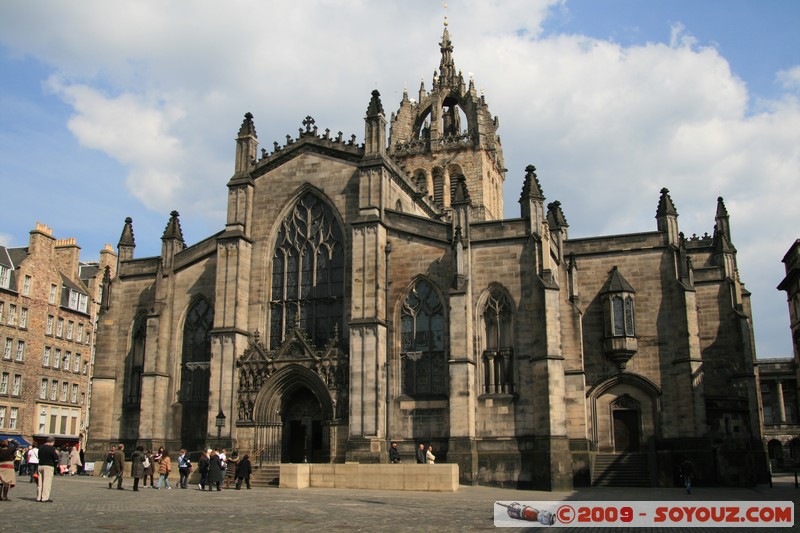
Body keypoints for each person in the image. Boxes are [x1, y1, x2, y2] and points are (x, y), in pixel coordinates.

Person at [37, 436, 59, 502]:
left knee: (40, 483)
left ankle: (39, 497)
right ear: (52, 442)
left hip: (40, 465)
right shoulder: (51, 448)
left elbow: (39, 456)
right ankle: (45, 498)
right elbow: (56, 458)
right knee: (47, 482)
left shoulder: (41, 447)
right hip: (48, 466)